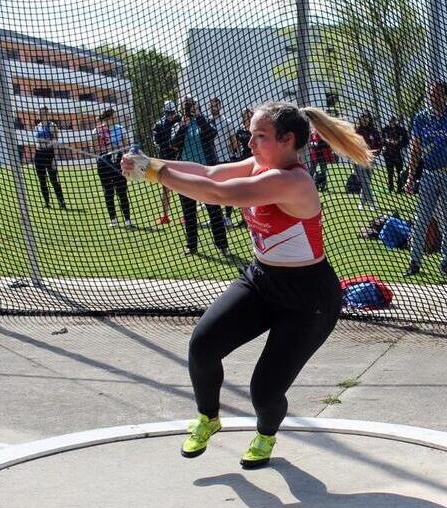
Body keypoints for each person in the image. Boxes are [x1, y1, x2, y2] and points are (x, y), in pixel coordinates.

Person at [119, 101, 371, 469]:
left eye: (259, 136)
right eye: (250, 134)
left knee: (264, 392)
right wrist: (155, 163)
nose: (249, 143)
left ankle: (266, 434)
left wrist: (156, 173)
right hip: (262, 280)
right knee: (203, 346)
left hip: (308, 298)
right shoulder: (259, 165)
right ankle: (208, 417)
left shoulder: (290, 181)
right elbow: (208, 172)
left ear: (286, 141)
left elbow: (220, 194)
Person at [404, 81, 447, 276]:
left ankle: (445, 263)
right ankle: (414, 263)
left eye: (437, 95)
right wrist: (410, 177)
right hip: (428, 176)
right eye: (430, 95)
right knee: (421, 220)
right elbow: (415, 149)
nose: (433, 99)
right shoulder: (421, 118)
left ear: (445, 96)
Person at [170, 96, 228, 255]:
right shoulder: (179, 125)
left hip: (205, 172)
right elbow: (174, 143)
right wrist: (184, 125)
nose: (189, 108)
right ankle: (191, 246)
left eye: (192, 106)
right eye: (187, 106)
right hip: (185, 174)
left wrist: (198, 116)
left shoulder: (204, 121)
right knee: (189, 212)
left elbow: (212, 134)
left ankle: (222, 245)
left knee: (214, 210)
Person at [93, 108, 131, 227]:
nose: (116, 118)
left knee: (122, 191)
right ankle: (113, 219)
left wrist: (118, 147)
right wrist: (107, 148)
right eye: (114, 116)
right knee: (108, 192)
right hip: (104, 163)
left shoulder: (120, 129)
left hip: (118, 162)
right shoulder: (97, 131)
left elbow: (126, 145)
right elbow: (95, 148)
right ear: (109, 118)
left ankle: (128, 220)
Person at [206, 97, 239, 226]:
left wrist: (233, 153)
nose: (213, 108)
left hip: (225, 158)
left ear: (220, 107)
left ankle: (228, 217)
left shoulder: (227, 122)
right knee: (213, 190)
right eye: (211, 106)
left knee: (227, 189)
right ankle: (216, 218)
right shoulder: (207, 122)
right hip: (211, 160)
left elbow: (233, 140)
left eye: (215, 105)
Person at [151, 100, 181, 225]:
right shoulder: (159, 125)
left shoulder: (179, 120)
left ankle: (186, 215)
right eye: (168, 113)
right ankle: (165, 216)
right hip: (164, 159)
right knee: (165, 188)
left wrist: (176, 146)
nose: (171, 115)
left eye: (172, 112)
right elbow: (156, 141)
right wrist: (169, 145)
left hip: (179, 158)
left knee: (183, 187)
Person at [33, 106, 66, 210]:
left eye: (44, 113)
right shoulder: (37, 126)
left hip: (49, 153)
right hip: (39, 154)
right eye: (40, 113)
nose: (41, 114)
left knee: (53, 180)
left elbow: (56, 142)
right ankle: (47, 202)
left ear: (47, 113)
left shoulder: (52, 125)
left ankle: (61, 202)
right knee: (42, 180)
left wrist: (55, 158)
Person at [354, 112, 382, 210]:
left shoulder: (374, 131)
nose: (365, 120)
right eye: (363, 118)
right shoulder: (356, 131)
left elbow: (379, 144)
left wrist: (375, 154)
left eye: (366, 118)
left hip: (370, 159)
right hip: (358, 159)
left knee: (367, 182)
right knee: (365, 180)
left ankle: (362, 202)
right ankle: (372, 203)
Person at [381, 115, 409, 192]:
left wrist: (398, 143)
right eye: (390, 121)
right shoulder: (385, 130)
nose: (392, 122)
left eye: (393, 121)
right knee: (390, 172)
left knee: (399, 171)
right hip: (388, 153)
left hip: (398, 154)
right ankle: (390, 187)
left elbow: (406, 141)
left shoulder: (401, 130)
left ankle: (400, 187)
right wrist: (387, 141)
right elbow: (382, 140)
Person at [307, 128, 334, 192]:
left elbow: (328, 144)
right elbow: (310, 143)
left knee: (323, 171)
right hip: (314, 155)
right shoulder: (312, 134)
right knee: (311, 171)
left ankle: (323, 186)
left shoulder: (324, 134)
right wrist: (313, 143)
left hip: (322, 155)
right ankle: (309, 186)